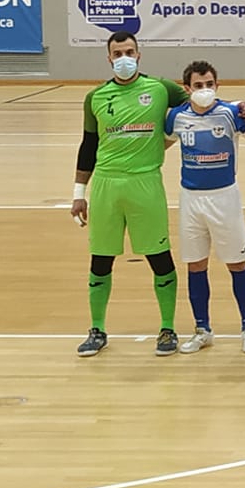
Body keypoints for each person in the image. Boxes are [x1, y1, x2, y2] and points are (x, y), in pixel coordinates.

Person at [70, 30, 189, 357]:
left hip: (145, 183)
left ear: (139, 54)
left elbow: (195, 107)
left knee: (159, 257)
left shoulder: (161, 88)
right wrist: (79, 193)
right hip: (106, 185)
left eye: (129, 52)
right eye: (117, 53)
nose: (124, 58)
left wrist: (171, 138)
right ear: (109, 58)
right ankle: (97, 329)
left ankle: (167, 328)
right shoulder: (95, 97)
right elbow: (88, 145)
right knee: (101, 259)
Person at [165, 60, 245, 355]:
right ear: (187, 88)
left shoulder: (230, 114)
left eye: (209, 84)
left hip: (225, 197)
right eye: (198, 85)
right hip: (190, 199)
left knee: (237, 263)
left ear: (217, 85)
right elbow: (160, 145)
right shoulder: (176, 117)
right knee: (195, 264)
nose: (204, 89)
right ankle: (202, 329)